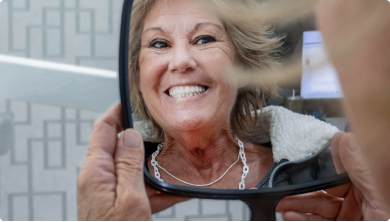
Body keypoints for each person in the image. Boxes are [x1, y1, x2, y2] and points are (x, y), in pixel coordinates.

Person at [77, 0, 390, 220]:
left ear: (242, 67)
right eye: (159, 44)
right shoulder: (116, 188)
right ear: (139, 76)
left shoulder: (322, 167)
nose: (182, 61)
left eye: (204, 39)